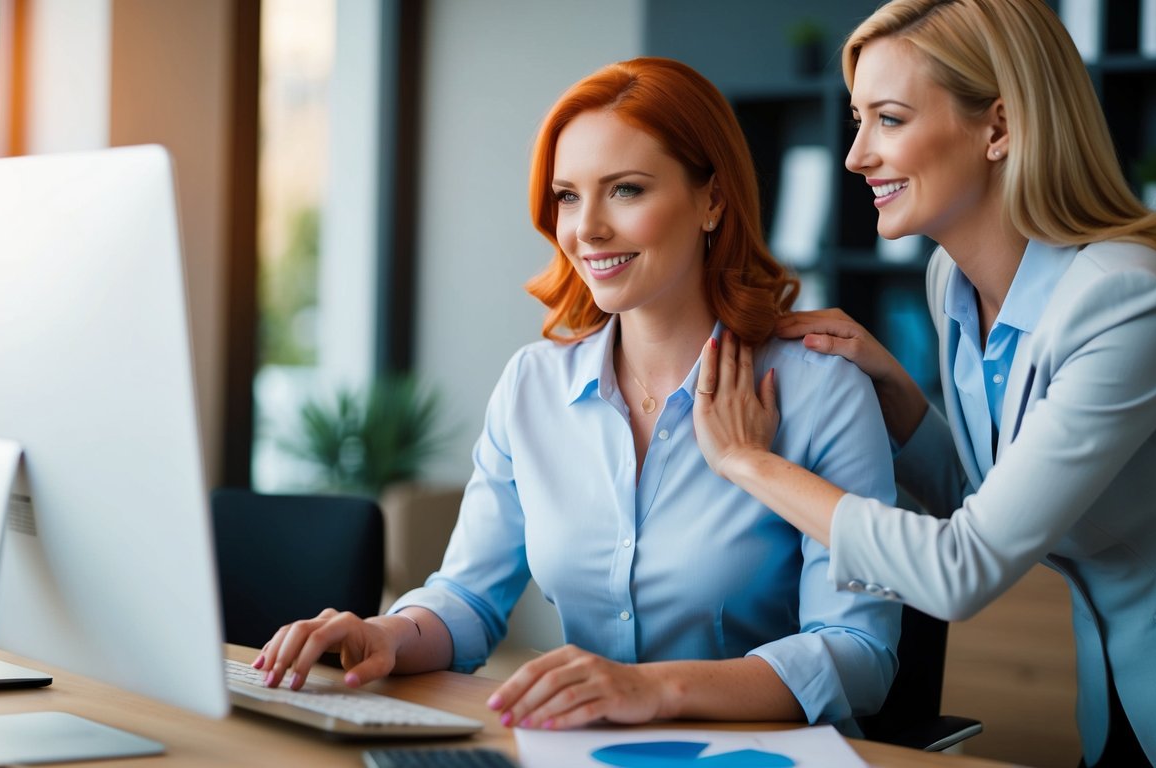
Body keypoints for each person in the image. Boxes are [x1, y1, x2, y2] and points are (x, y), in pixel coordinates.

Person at [254, 57, 902, 733]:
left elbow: (858, 653)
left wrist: (651, 689)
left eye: (624, 190)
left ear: (711, 200)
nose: (586, 228)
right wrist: (388, 634)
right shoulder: (532, 385)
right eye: (567, 195)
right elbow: (468, 596)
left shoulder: (821, 390)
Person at [692, 2, 1156, 766]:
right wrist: (900, 399)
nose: (855, 155)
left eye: (887, 119)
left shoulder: (1128, 301)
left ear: (998, 128)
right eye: (858, 119)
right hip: (1114, 693)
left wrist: (748, 463)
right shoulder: (949, 282)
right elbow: (998, 493)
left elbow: (963, 568)